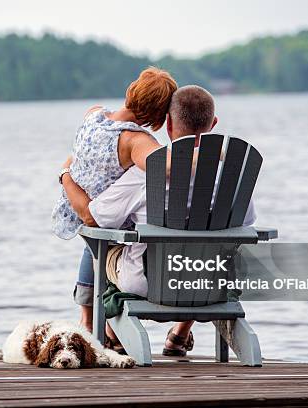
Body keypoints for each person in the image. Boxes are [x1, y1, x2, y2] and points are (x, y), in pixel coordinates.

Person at [61, 85, 256, 356]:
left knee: (100, 245)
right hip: (209, 281)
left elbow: (93, 217)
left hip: (146, 280)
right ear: (213, 124)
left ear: (168, 125)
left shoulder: (145, 173)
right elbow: (243, 226)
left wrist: (65, 174)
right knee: (206, 246)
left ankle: (104, 330)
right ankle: (180, 333)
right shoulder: (231, 173)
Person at [52, 66, 178, 334]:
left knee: (92, 247)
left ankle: (87, 319)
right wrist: (215, 152)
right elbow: (166, 166)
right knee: (112, 242)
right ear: (159, 113)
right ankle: (110, 326)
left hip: (76, 203)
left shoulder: (93, 114)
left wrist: (65, 172)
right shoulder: (135, 141)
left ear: (131, 90)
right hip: (105, 216)